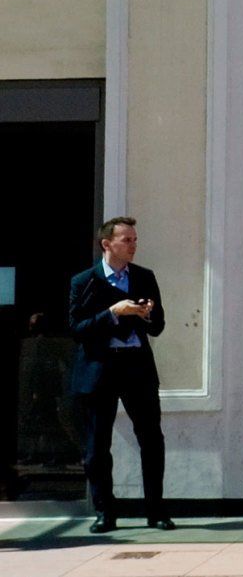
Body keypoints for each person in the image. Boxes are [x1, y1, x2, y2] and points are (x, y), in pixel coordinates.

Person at [67, 216, 172, 535]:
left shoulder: (144, 277)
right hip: (100, 369)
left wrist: (148, 313)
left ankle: (155, 511)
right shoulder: (84, 281)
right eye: (127, 240)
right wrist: (114, 313)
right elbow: (77, 329)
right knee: (97, 445)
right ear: (107, 244)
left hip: (136, 366)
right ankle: (104, 512)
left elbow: (158, 326)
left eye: (135, 240)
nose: (133, 245)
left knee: (151, 439)